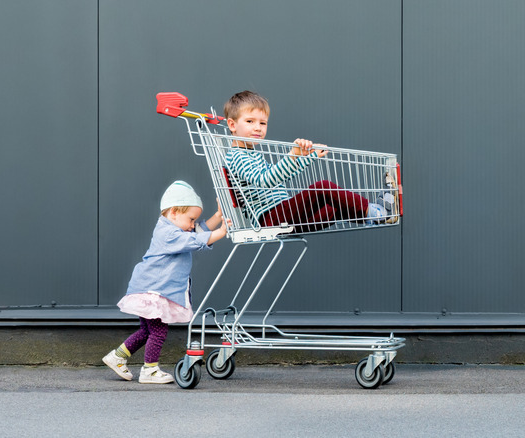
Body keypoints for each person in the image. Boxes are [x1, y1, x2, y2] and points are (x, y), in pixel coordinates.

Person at [102, 181, 228, 384]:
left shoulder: (175, 229)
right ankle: (149, 370)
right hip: (153, 291)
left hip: (148, 289)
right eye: (190, 219)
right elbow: (194, 240)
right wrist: (220, 233)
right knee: (159, 332)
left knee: (147, 331)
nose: (192, 224)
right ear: (174, 212)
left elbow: (198, 231)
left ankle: (117, 357)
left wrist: (217, 218)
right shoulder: (168, 234)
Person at [223, 90, 392, 234]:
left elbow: (280, 177)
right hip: (271, 217)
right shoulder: (238, 156)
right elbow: (265, 181)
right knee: (323, 188)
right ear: (232, 124)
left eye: (263, 123)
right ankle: (377, 212)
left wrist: (308, 158)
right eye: (250, 121)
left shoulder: (250, 154)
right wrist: (292, 155)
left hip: (283, 214)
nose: (258, 128)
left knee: (332, 209)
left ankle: (377, 215)